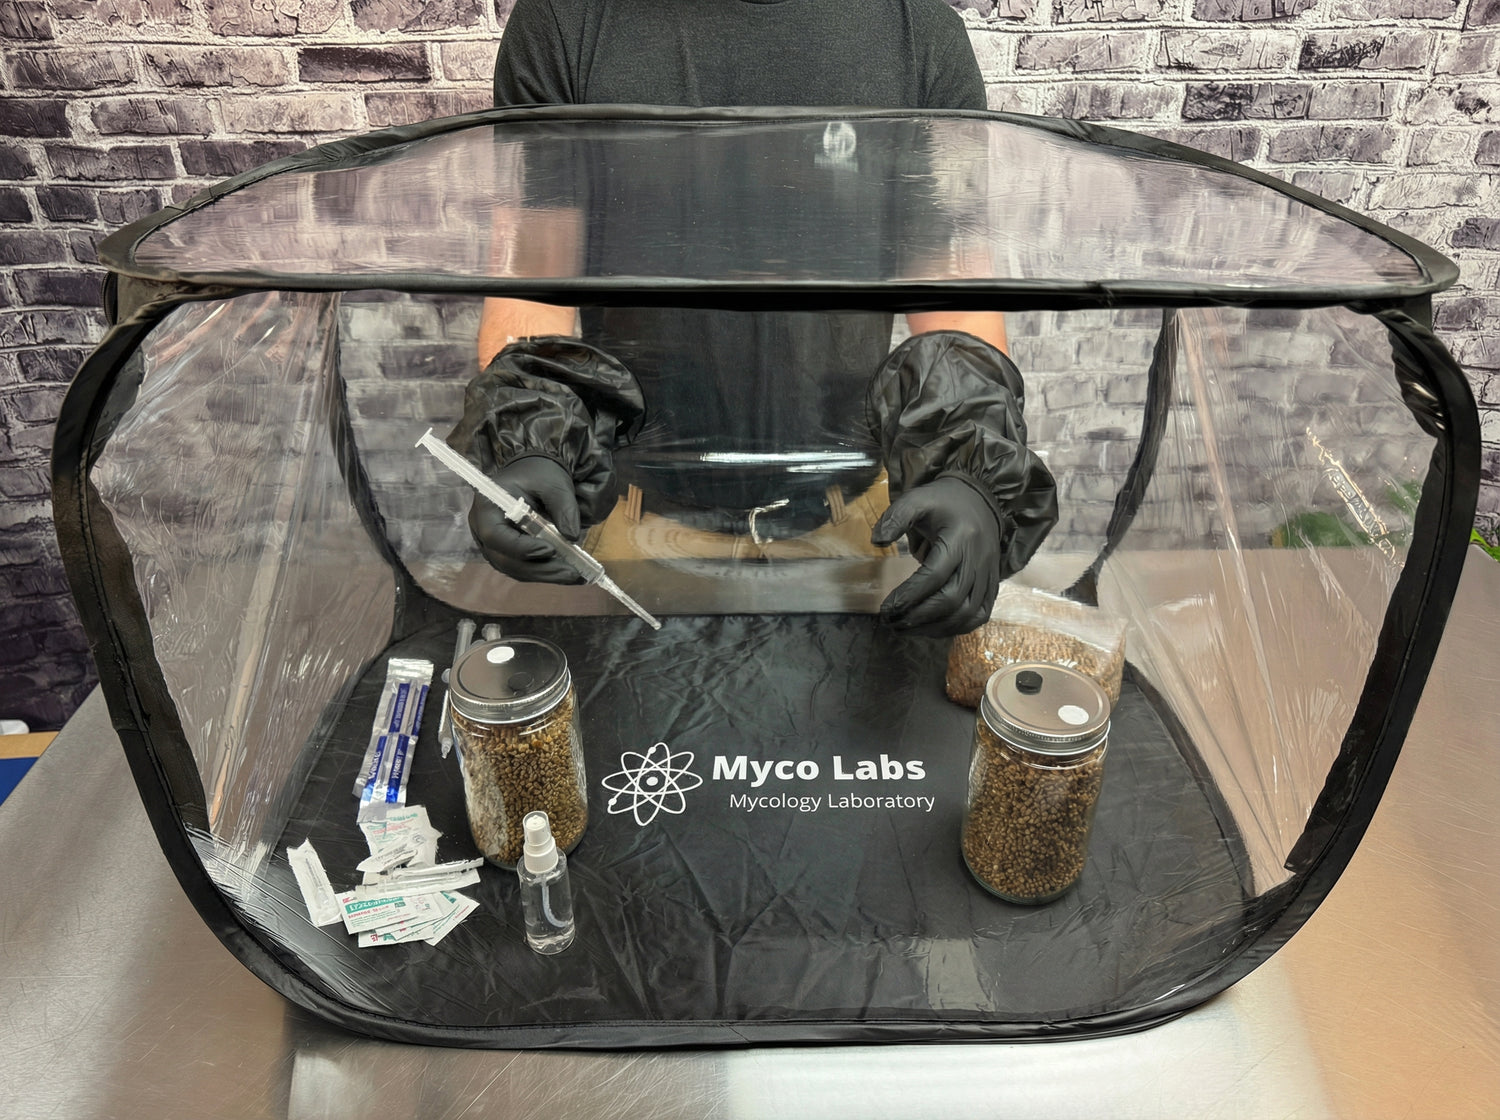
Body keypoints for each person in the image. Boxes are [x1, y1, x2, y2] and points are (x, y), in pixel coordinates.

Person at [450, 0, 1057, 637]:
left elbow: (954, 297)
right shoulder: (565, 22)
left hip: (860, 525)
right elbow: (532, 285)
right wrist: (531, 445)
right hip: (633, 528)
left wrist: (967, 472)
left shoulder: (919, 35)